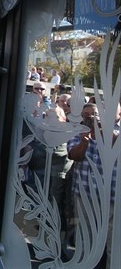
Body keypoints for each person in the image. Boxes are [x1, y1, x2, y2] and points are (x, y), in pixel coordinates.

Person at [67, 102, 118, 268]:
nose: (93, 117)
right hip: (85, 196)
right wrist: (84, 143)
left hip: (114, 200)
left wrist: (104, 131)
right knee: (86, 242)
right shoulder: (79, 131)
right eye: (88, 114)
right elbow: (73, 155)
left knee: (114, 246)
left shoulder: (114, 132)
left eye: (96, 113)